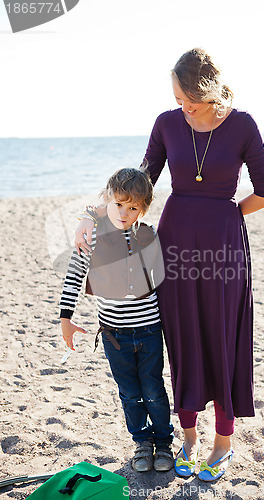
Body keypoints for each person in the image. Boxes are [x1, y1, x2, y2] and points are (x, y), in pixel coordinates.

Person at [75, 48, 264, 482]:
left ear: (208, 91)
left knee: (222, 336)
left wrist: (224, 215)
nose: (182, 106)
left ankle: (223, 443)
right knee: (182, 338)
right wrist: (90, 216)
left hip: (222, 246)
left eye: (189, 99)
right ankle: (189, 440)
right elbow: (137, 182)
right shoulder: (167, 123)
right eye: (177, 97)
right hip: (176, 241)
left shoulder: (242, 125)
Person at [60, 167, 174, 473]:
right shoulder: (92, 235)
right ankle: (140, 441)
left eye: (133, 207)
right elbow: (74, 274)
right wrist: (66, 318)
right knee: (129, 392)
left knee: (153, 388)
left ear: (144, 208)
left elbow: (167, 281)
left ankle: (163, 442)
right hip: (114, 334)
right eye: (119, 204)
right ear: (107, 200)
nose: (124, 213)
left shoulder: (149, 234)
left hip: (150, 330)